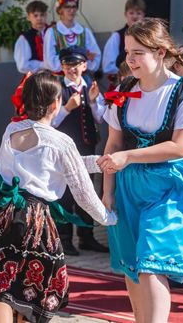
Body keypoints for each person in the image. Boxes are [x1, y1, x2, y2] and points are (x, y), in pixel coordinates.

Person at [0, 71, 117, 323]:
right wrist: (108, 218)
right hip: (35, 220)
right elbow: (82, 191)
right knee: (29, 290)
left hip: (2, 211)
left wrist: (99, 162)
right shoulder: (61, 141)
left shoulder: (12, 129)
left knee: (1, 287)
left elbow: (61, 164)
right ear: (56, 103)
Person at [98, 18, 183, 323]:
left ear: (161, 52)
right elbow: (113, 145)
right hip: (128, 186)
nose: (130, 59)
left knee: (152, 263)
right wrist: (107, 192)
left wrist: (129, 156)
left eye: (138, 52)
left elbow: (181, 146)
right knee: (132, 266)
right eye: (127, 52)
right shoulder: (123, 90)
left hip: (169, 185)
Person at [52, 46, 108, 255]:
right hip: (64, 151)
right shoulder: (57, 88)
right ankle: (64, 239)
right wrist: (67, 108)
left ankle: (87, 237)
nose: (71, 68)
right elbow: (50, 123)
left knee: (86, 191)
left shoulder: (90, 86)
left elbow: (100, 118)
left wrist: (92, 102)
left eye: (76, 64)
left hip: (86, 148)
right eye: (67, 64)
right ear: (62, 67)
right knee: (65, 195)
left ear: (84, 65)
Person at [43, 0, 101, 73]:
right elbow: (49, 60)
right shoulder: (52, 32)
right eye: (67, 7)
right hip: (60, 77)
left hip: (81, 76)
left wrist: (87, 59)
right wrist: (78, 58)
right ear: (60, 10)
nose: (71, 10)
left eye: (74, 7)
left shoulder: (84, 32)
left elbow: (95, 56)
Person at [102, 0, 146, 87]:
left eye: (138, 13)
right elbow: (108, 66)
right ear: (125, 14)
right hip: (122, 86)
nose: (135, 16)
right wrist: (128, 72)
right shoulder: (117, 36)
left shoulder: (147, 38)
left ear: (143, 15)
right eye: (131, 13)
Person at [13, 0, 49, 74]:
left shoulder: (53, 34)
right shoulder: (24, 38)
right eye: (35, 15)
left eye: (42, 15)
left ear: (46, 15)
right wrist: (44, 65)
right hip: (35, 77)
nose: (39, 18)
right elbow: (23, 66)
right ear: (28, 17)